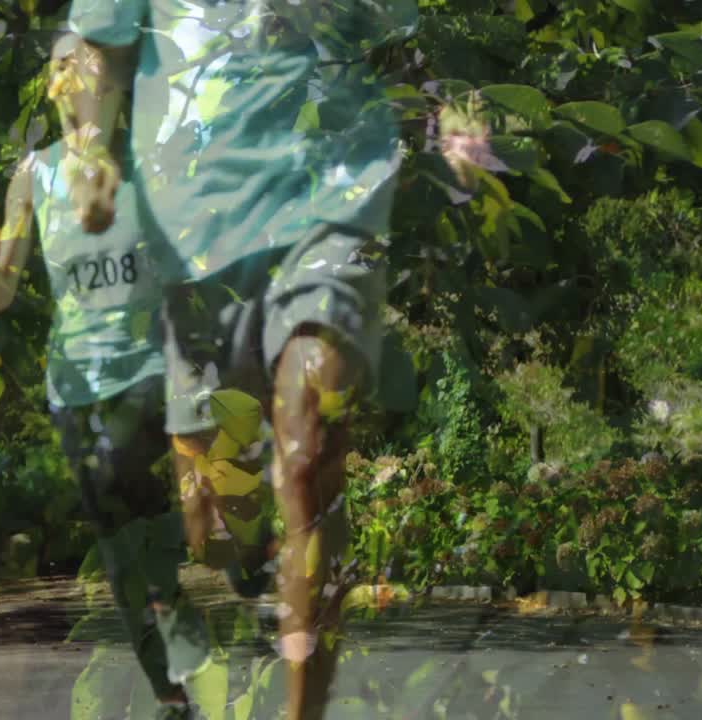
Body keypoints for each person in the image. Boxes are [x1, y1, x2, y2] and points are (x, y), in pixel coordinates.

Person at [57, 1, 415, 717]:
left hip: (329, 201)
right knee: (215, 526)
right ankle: (258, 568)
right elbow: (94, 47)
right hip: (199, 238)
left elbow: (403, 37)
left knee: (308, 441)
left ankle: (300, 709)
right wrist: (89, 145)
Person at [0, 34, 213, 720]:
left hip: (141, 373)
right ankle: (171, 690)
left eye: (87, 61)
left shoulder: (145, 168)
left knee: (128, 494)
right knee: (117, 553)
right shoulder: (34, 176)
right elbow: (0, 293)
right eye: (60, 62)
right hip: (72, 387)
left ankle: (176, 607)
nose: (72, 71)